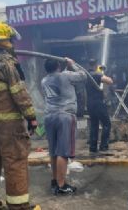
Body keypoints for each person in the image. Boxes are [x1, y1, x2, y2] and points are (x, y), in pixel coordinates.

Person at [0, 22, 39, 210]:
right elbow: (19, 92)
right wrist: (31, 117)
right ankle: (19, 207)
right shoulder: (7, 63)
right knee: (15, 163)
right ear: (8, 41)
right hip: (8, 127)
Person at [41, 58, 86, 195]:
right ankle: (62, 185)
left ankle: (55, 181)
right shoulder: (66, 76)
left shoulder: (44, 81)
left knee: (54, 152)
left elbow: (60, 80)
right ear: (58, 65)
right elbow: (83, 76)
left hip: (49, 117)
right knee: (63, 152)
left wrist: (66, 68)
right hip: (65, 116)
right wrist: (73, 64)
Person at [85, 58, 113, 153]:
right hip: (98, 102)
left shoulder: (86, 74)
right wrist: (101, 72)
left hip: (89, 103)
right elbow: (110, 81)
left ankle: (93, 148)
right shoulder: (97, 74)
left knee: (94, 125)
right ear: (96, 65)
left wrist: (100, 70)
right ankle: (103, 146)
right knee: (107, 124)